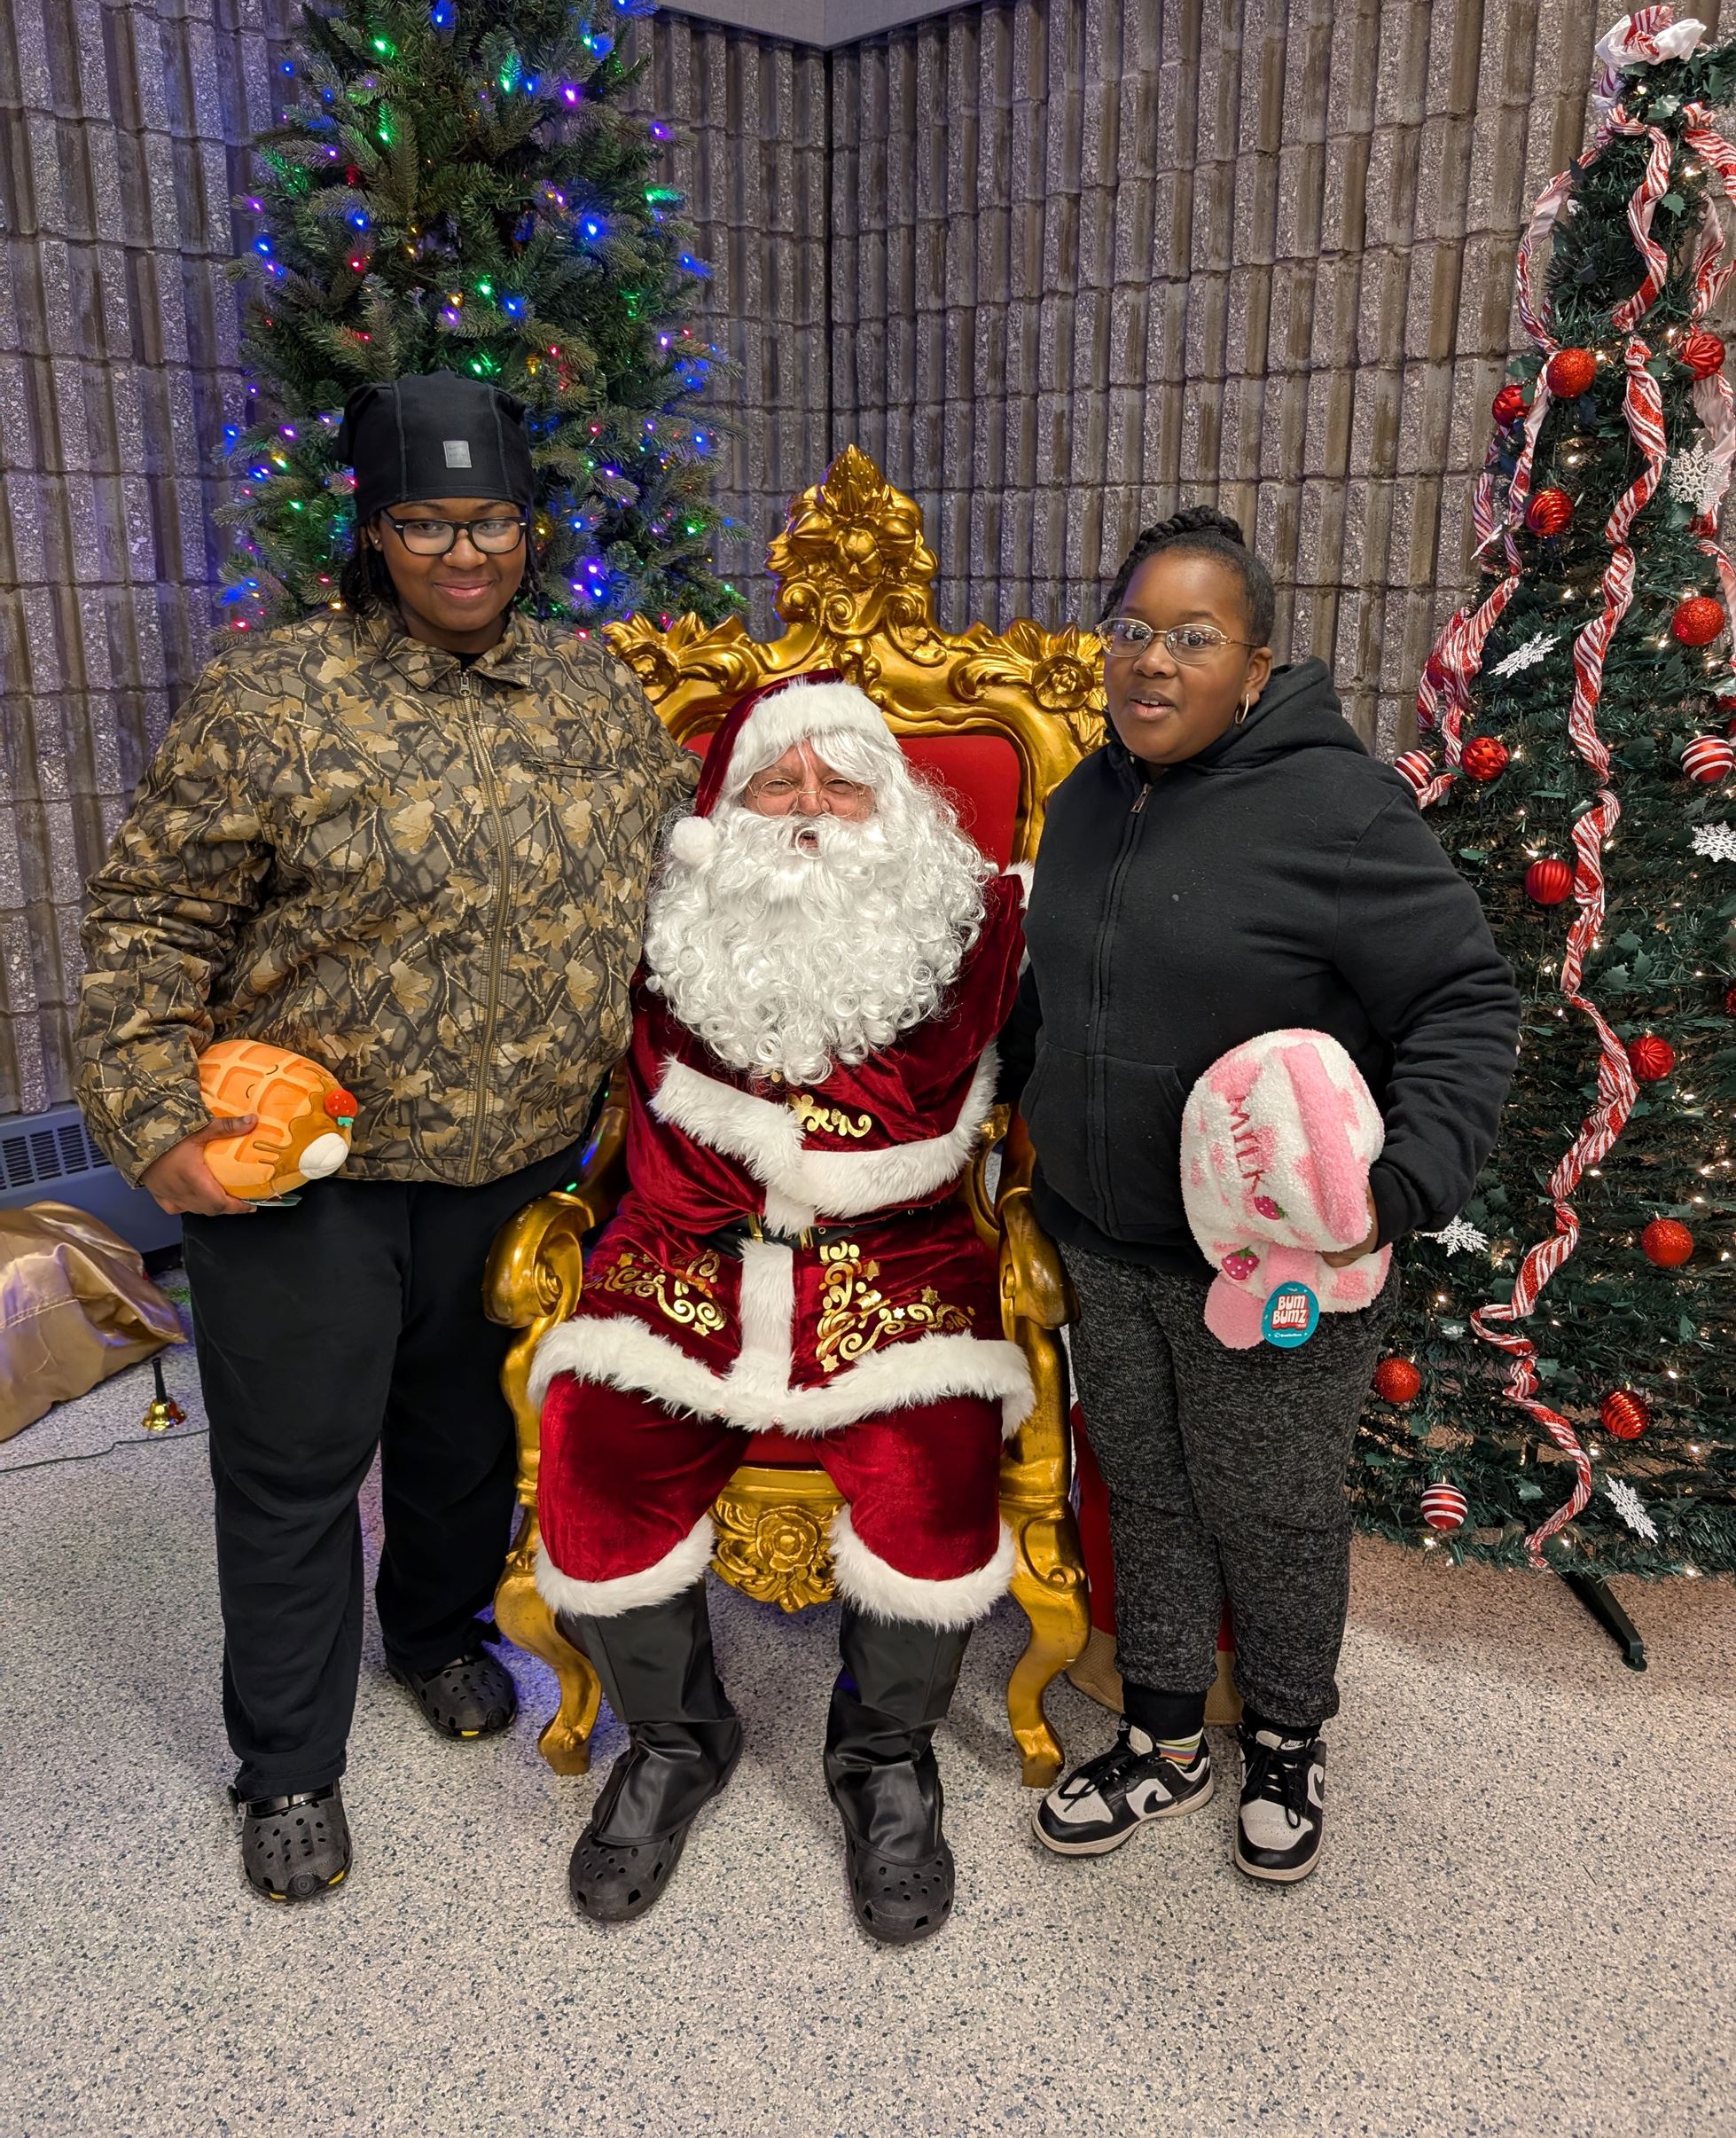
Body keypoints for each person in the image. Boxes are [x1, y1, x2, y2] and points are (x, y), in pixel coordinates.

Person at [74, 373, 697, 1904]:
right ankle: (287, 1763)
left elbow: (678, 893)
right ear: (374, 530)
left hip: (519, 1161)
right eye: (426, 522)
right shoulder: (273, 696)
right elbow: (148, 919)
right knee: (294, 1469)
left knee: (461, 1440)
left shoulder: (592, 697)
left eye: (492, 522)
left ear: (533, 529)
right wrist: (159, 1125)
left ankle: (430, 1633)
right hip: (308, 1172)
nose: (463, 554)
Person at [1001, 505, 1520, 1884]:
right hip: (1105, 1240)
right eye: (1130, 630)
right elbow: (1062, 988)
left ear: (1255, 665)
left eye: (1192, 638)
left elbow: (1465, 1002)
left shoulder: (1338, 814)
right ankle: (1165, 1736)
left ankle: (1287, 1737)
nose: (1150, 661)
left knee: (1272, 1509)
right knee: (1150, 1495)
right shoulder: (1085, 799)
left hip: (1279, 1264)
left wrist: (1395, 1190)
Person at [530, 674, 1029, 1943]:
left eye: (842, 781)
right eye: (776, 781)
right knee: (591, 1455)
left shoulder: (967, 927)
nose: (810, 807)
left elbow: (949, 1102)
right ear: (726, 812)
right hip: (680, 1258)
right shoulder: (666, 924)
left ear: (895, 803)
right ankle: (676, 1740)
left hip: (898, 1266)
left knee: (931, 1485)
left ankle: (883, 1762)